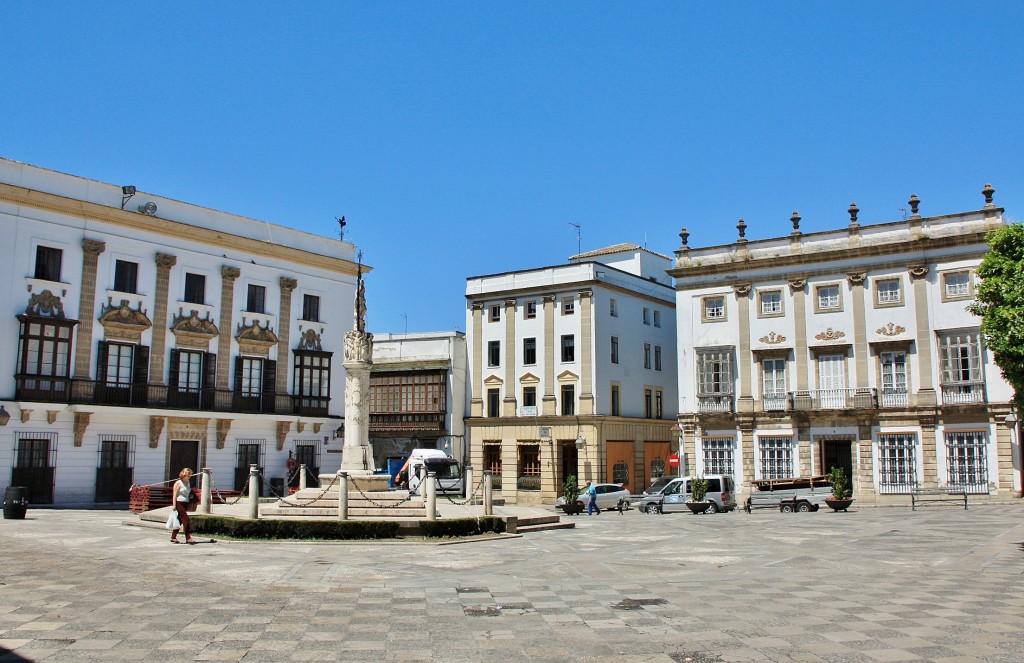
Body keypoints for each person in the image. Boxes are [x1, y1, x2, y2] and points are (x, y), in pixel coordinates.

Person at [170, 468, 196, 544]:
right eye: (188, 475)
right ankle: (188, 537)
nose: (189, 476)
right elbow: (175, 494)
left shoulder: (188, 482)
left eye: (190, 475)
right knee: (186, 519)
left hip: (186, 502)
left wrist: (190, 496)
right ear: (184, 475)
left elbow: (187, 491)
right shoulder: (178, 483)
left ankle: (173, 536)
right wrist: (174, 505)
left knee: (180, 520)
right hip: (179, 502)